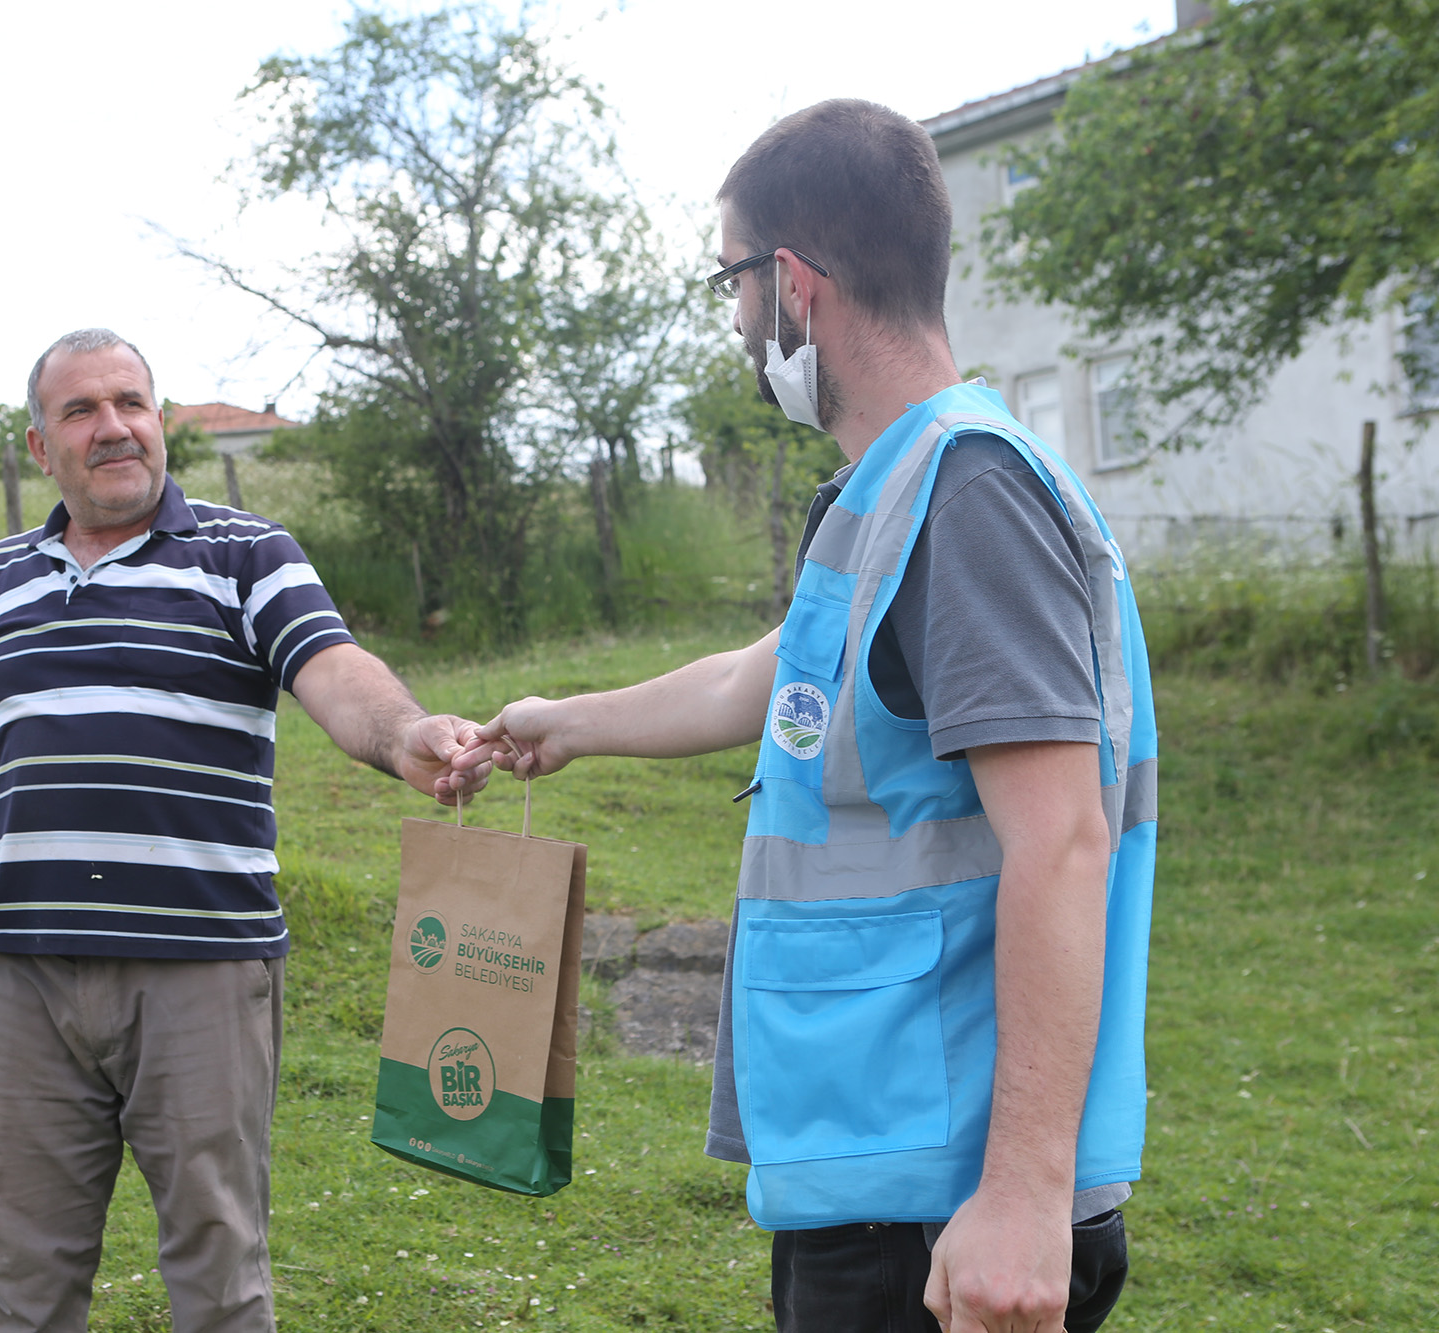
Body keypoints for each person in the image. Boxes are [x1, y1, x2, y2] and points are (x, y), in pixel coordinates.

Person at [462, 100, 1156, 1333]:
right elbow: (767, 677)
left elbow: (1062, 839)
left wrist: (1020, 1194)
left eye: (731, 281)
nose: (735, 319)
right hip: (879, 1166)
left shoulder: (967, 493)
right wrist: (562, 721)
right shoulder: (891, 487)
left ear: (789, 281)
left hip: (942, 1208)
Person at [0, 327, 489, 1333]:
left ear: (159, 421)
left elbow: (334, 672)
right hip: (15, 979)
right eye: (80, 409)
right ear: (41, 447)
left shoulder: (246, 554)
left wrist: (407, 735)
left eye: (131, 401)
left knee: (219, 1281)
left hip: (198, 973)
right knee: (22, 1293)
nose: (113, 426)